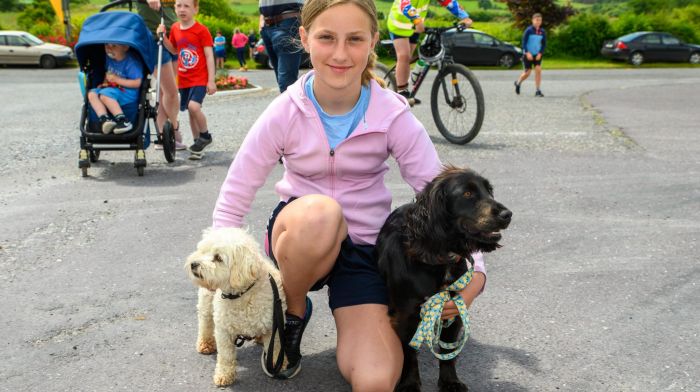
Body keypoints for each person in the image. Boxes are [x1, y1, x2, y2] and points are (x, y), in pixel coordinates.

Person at [211, 0, 487, 387]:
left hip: (366, 251)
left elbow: (443, 196)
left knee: (377, 381)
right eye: (327, 38)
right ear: (305, 39)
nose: (340, 54)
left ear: (373, 40)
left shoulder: (392, 113)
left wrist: (473, 277)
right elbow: (236, 191)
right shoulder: (284, 110)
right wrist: (217, 263)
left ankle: (350, 316)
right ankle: (291, 315)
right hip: (301, 236)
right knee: (323, 214)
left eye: (355, 39)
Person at [158, 0, 216, 160]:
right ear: (174, 8)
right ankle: (198, 144)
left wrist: (211, 80)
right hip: (184, 79)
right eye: (179, 6)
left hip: (199, 78)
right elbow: (174, 50)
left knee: (193, 107)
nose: (182, 9)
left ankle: (205, 136)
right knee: (191, 113)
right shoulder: (175, 28)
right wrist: (163, 37)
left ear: (195, 9)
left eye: (187, 6)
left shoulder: (201, 31)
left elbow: (210, 56)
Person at [387, 0, 472, 100]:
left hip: (414, 26)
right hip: (399, 25)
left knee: (408, 59)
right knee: (404, 56)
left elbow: (448, 2)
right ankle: (402, 93)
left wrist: (464, 17)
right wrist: (417, 20)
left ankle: (398, 77)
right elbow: (405, 4)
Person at [138, 0, 186, 150]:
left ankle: (162, 136)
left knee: (165, 91)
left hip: (173, 36)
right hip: (154, 37)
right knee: (171, 92)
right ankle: (174, 130)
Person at [87, 43, 142, 135]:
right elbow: (108, 73)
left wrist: (117, 80)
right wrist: (104, 83)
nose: (109, 49)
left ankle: (123, 121)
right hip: (112, 90)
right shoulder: (109, 59)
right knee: (92, 94)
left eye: (113, 46)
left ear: (125, 47)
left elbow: (137, 83)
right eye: (106, 46)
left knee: (105, 95)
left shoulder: (131, 62)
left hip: (128, 92)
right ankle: (105, 119)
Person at [258, 0, 304, 92]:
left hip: (288, 19)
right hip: (268, 24)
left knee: (286, 84)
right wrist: (262, 19)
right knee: (283, 82)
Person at [515, 13, 546, 97]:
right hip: (528, 54)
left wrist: (540, 53)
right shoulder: (528, 30)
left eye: (539, 20)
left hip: (537, 54)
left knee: (538, 70)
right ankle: (518, 82)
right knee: (527, 72)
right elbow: (524, 43)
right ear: (532, 20)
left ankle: (537, 90)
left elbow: (543, 44)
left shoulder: (542, 32)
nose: (538, 22)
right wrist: (527, 52)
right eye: (536, 20)